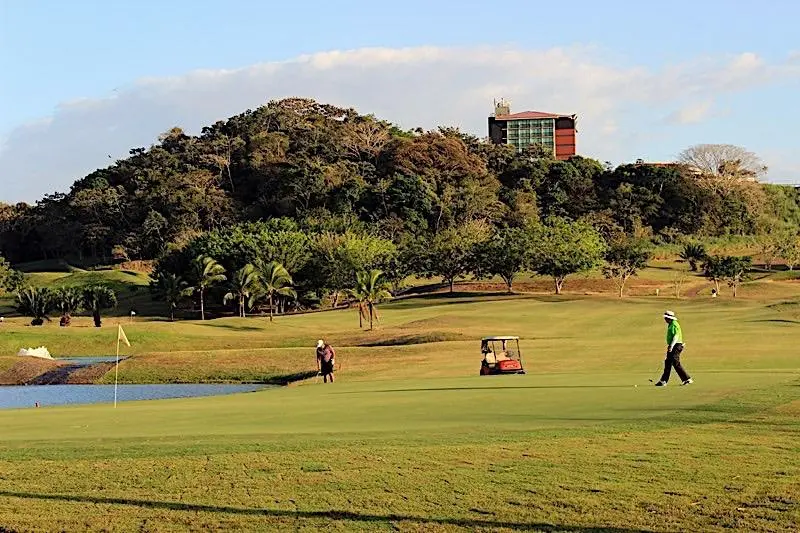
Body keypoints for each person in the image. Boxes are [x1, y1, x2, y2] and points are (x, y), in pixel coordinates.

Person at [656, 310, 693, 386]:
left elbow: (676, 336)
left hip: (676, 345)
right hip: (674, 345)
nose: (665, 319)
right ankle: (663, 381)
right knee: (668, 362)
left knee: (675, 362)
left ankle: (687, 379)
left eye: (666, 318)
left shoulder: (674, 324)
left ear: (669, 318)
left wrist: (671, 346)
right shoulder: (670, 324)